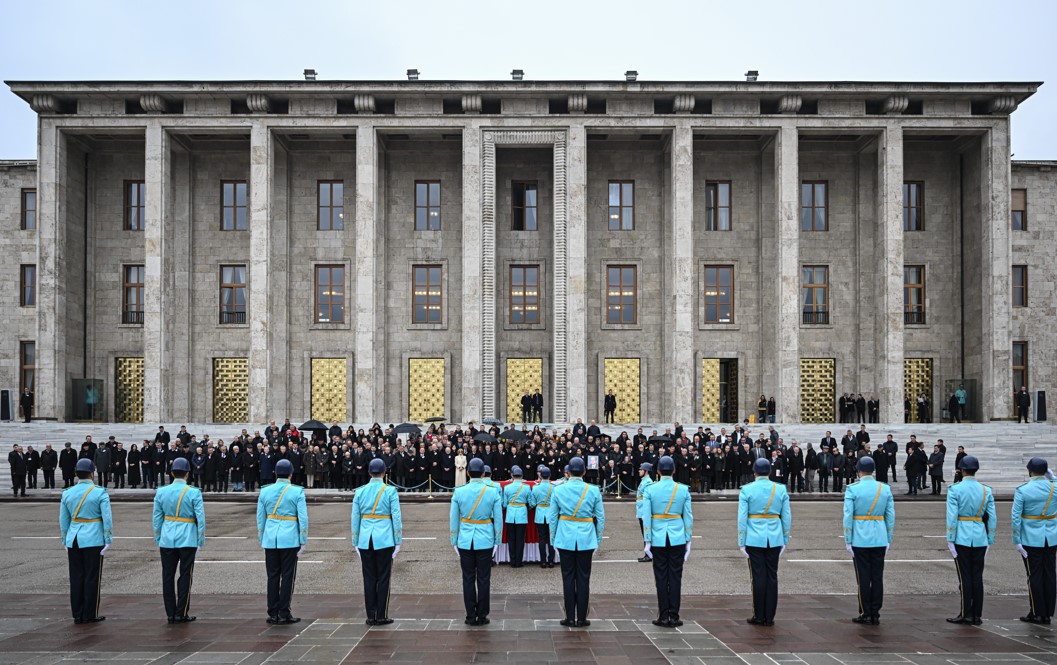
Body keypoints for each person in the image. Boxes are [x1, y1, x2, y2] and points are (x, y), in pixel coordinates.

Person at [547, 456, 605, 628]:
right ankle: (581, 617)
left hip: (565, 537)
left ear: (568, 472)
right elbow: (600, 518)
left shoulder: (558, 490)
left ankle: (570, 617)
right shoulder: (593, 490)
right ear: (585, 472)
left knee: (567, 578)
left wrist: (553, 540)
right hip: (586, 538)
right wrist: (598, 540)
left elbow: (552, 518)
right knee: (583, 578)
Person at [737, 457, 791, 627]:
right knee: (772, 576)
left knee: (758, 576)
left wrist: (741, 540)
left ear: (754, 472)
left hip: (754, 537)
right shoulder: (780, 489)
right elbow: (787, 516)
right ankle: (769, 616)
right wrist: (785, 538)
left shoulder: (747, 490)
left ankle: (759, 615)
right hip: (774, 536)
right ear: (769, 472)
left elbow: (742, 518)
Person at [449, 457, 503, 626]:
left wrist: (454, 540)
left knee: (468, 578)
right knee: (484, 579)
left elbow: (453, 519)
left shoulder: (459, 491)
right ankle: (482, 614)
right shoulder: (492, 491)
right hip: (485, 538)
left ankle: (470, 615)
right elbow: (498, 519)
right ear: (483, 473)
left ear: (467, 472)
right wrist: (497, 540)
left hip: (465, 539)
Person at [152, 457, 206, 623]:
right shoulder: (193, 492)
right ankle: (181, 612)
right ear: (188, 474)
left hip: (167, 537)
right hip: (187, 537)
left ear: (172, 473)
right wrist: (200, 540)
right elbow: (201, 519)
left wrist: (159, 537)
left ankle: (170, 612)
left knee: (167, 575)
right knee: (185, 575)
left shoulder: (161, 491)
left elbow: (157, 518)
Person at [59, 458, 113, 624]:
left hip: (74, 538)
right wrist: (108, 538)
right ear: (92, 473)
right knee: (91, 577)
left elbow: (63, 520)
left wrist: (65, 540)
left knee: (76, 577)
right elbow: (107, 518)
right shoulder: (100, 492)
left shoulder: (67, 493)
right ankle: (90, 613)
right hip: (93, 538)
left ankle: (77, 612)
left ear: (76, 473)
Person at [642, 455, 693, 627]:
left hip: (658, 537)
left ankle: (663, 615)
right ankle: (675, 615)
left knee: (661, 577)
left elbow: (646, 517)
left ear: (657, 471)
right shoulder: (683, 489)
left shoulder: (650, 489)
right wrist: (688, 539)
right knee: (676, 577)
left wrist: (647, 540)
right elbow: (688, 517)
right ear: (674, 470)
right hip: (677, 536)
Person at [944, 456, 996, 625]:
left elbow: (952, 517)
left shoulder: (955, 489)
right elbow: (992, 517)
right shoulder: (985, 490)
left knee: (965, 577)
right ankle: (977, 615)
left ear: (962, 470)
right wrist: (990, 538)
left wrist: (950, 538)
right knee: (977, 577)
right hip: (980, 536)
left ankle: (966, 613)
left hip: (962, 536)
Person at [844, 457, 895, 625]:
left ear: (858, 470)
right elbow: (890, 516)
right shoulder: (884, 489)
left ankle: (865, 612)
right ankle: (875, 613)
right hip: (879, 537)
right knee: (877, 576)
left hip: (860, 538)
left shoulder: (853, 489)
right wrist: (888, 537)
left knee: (863, 577)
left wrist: (848, 539)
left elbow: (848, 517)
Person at [256, 459, 308, 625]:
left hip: (271, 537)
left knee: (272, 576)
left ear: (275, 473)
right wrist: (303, 539)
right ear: (291, 474)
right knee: (287, 576)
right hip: (290, 538)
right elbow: (303, 518)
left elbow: (260, 518)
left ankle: (272, 612)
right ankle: (284, 612)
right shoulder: (297, 492)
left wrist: (262, 536)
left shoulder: (265, 491)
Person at [352, 458, 403, 626]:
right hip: (385, 538)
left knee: (368, 578)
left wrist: (356, 541)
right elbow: (396, 517)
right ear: (384, 473)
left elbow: (355, 518)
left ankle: (370, 615)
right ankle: (381, 615)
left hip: (366, 538)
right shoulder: (390, 491)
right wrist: (398, 540)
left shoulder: (360, 491)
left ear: (368, 473)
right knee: (383, 578)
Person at [1011, 457, 1057, 624]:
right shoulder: (1054, 487)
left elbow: (1016, 518)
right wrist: (1053, 478)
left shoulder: (1023, 490)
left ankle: (1037, 612)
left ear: (1030, 471)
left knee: (1034, 575)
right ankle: (1047, 613)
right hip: (1051, 538)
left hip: (1030, 538)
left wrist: (1016, 540)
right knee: (1050, 574)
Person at [502, 465, 531, 567]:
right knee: (520, 540)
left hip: (510, 514)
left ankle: (512, 561)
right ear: (522, 476)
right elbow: (531, 503)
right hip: (522, 514)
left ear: (512, 476)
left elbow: (504, 504)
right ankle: (519, 562)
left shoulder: (507, 487)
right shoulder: (526, 487)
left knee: (511, 539)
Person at [529, 466, 555, 568]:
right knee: (551, 538)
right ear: (549, 476)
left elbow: (532, 504)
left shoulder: (536, 488)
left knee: (542, 538)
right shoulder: (554, 487)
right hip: (551, 514)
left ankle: (543, 561)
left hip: (540, 513)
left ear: (540, 475)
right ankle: (551, 561)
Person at [635, 462, 654, 562]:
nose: (639, 471)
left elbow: (648, 499)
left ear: (646, 471)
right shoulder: (644, 481)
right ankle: (648, 553)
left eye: (641, 470)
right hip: (641, 511)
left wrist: (645, 514)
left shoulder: (648, 482)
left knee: (646, 533)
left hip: (644, 512)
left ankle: (648, 554)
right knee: (644, 533)